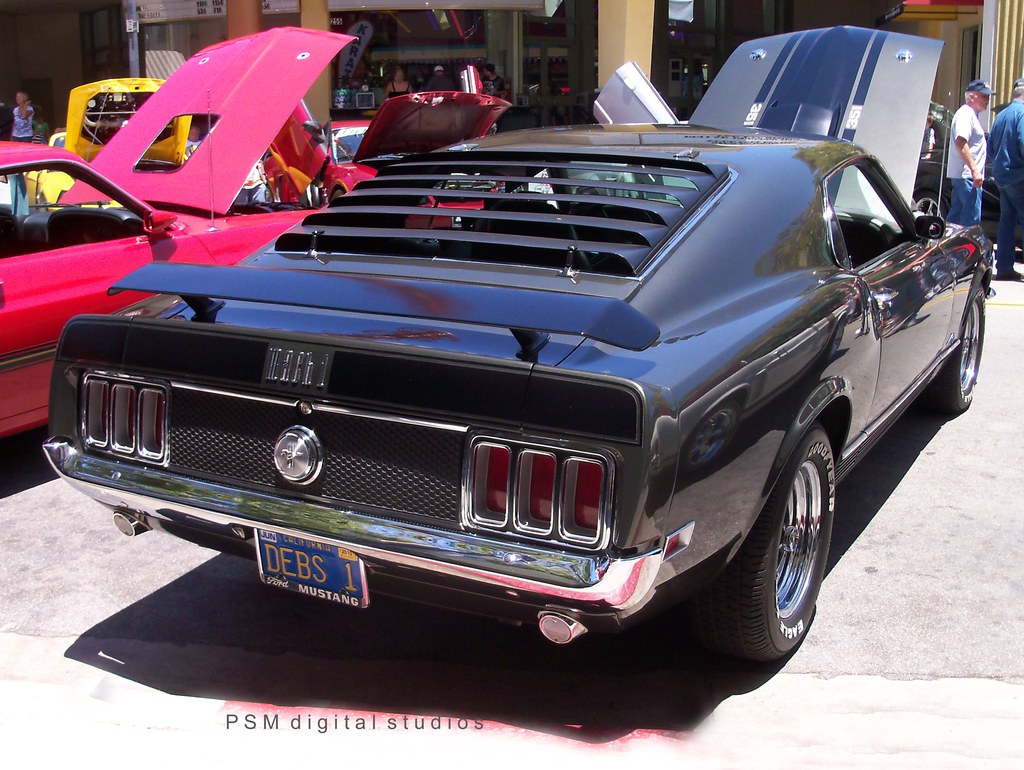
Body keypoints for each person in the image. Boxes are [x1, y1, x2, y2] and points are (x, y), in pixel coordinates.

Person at [988, 77, 1024, 281]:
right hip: (1019, 176)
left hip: (1002, 177)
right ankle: (1005, 267)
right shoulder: (1022, 113)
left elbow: (991, 145)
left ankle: (1004, 267)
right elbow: (1023, 141)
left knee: (1007, 222)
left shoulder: (1001, 115)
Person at [945, 79, 993, 228]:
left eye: (988, 97)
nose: (987, 100)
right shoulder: (966, 115)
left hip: (965, 177)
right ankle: (962, 251)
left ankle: (949, 249)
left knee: (956, 223)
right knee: (969, 225)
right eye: (984, 96)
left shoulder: (969, 115)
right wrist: (974, 171)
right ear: (971, 96)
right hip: (968, 178)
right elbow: (961, 142)